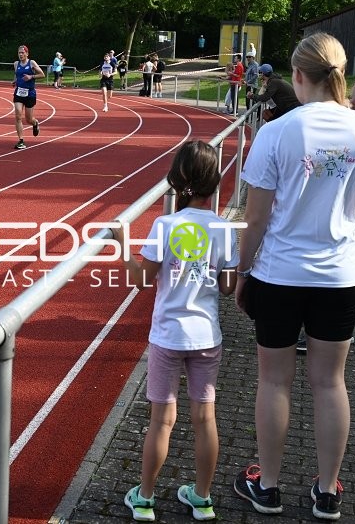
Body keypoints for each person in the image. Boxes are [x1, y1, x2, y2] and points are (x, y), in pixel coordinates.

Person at [232, 32, 355, 521]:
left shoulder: (277, 132)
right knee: (329, 382)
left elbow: (255, 220)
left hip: (279, 274)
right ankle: (326, 492)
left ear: (298, 76)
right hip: (341, 276)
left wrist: (241, 273)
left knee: (274, 381)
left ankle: (270, 487)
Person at [114, 140, 238, 522]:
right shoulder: (222, 228)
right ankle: (202, 498)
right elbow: (229, 287)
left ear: (177, 180)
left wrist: (122, 247)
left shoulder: (164, 225)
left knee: (161, 421)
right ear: (213, 182)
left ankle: (145, 498)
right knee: (205, 418)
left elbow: (141, 280)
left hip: (168, 336)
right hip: (206, 336)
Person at [12, 44, 44, 150]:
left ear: (27, 53)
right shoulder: (16, 64)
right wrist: (15, 81)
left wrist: (31, 76)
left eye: (22, 52)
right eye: (19, 53)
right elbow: (17, 75)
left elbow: (42, 74)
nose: (20, 54)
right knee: (17, 116)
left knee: (28, 119)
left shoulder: (32, 63)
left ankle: (35, 123)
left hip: (30, 94)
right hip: (18, 93)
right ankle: (21, 141)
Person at [243, 44, 259, 111]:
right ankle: (250, 115)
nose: (248, 58)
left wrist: (248, 82)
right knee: (248, 101)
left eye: (249, 57)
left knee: (249, 102)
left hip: (252, 86)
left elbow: (256, 75)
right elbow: (248, 74)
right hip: (248, 85)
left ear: (253, 58)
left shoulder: (255, 65)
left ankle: (251, 116)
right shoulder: (249, 64)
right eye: (247, 57)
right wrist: (244, 80)